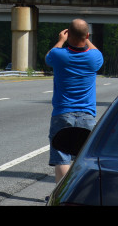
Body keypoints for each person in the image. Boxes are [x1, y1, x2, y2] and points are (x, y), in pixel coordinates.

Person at [45, 18, 104, 183]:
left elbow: (49, 57)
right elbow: (95, 51)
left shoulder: (58, 55)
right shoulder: (94, 58)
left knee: (61, 158)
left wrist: (61, 40)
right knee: (85, 159)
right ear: (87, 35)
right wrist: (86, 37)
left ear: (68, 34)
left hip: (63, 114)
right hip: (87, 115)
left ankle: (61, 196)